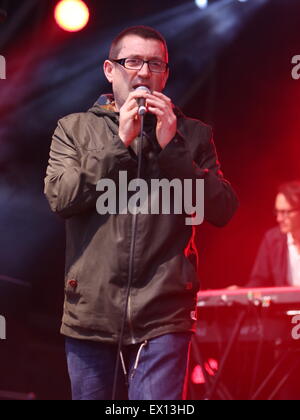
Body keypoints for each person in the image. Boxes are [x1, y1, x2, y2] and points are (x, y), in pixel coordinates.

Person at [44, 25, 238, 401]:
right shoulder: (74, 130)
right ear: (109, 69)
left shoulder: (193, 134)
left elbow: (222, 209)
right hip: (91, 314)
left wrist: (173, 149)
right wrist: (119, 144)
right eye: (132, 61)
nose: (144, 72)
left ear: (166, 73)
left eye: (155, 64)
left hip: (164, 315)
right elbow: (61, 199)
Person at [249, 181, 300, 288]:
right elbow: (259, 281)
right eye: (277, 212)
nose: (279, 218)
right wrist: (241, 293)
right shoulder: (272, 239)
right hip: (287, 305)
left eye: (285, 212)